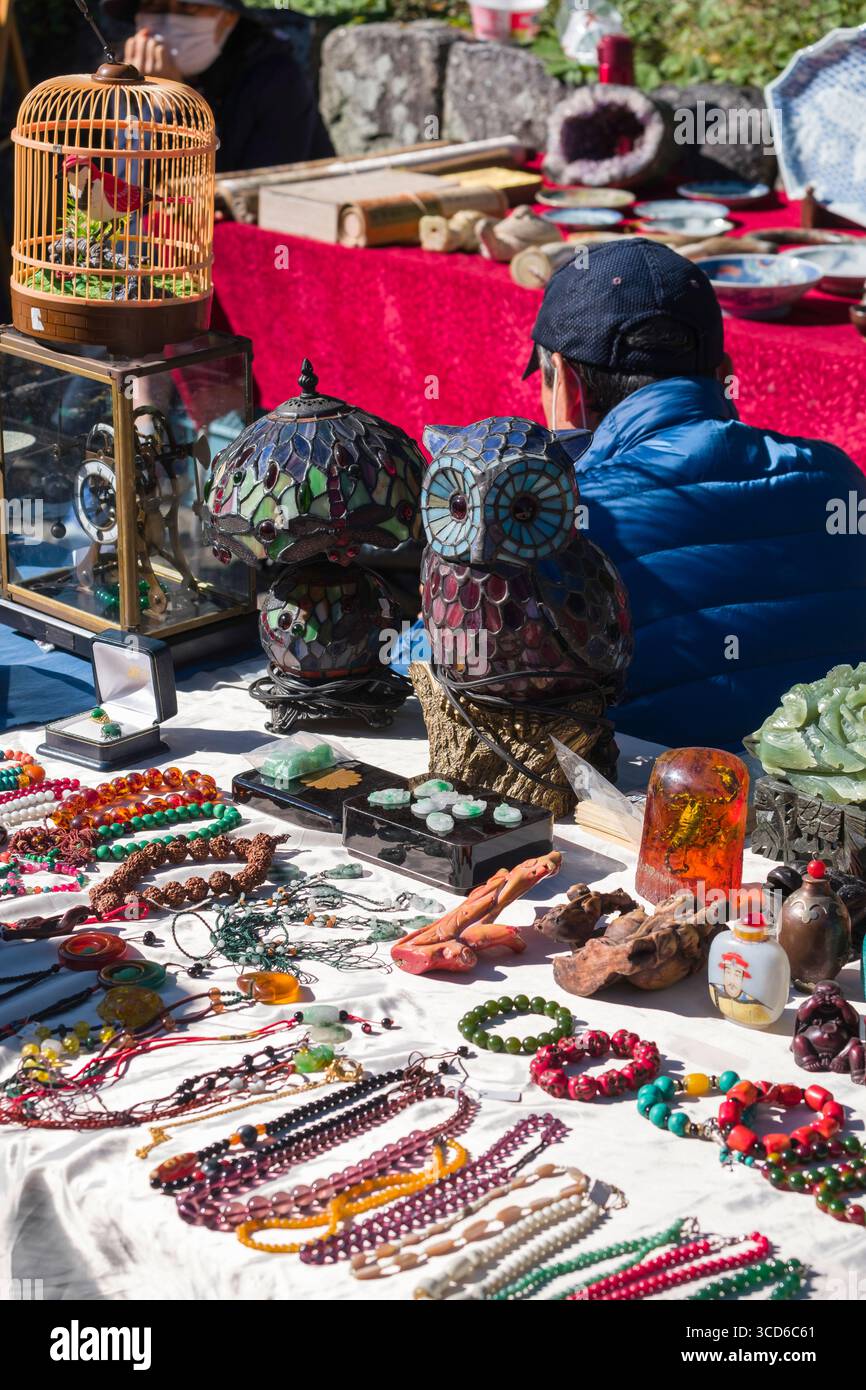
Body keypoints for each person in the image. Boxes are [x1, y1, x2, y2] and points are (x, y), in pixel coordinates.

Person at [525, 237, 866, 750]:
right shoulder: (836, 476)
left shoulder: (560, 519)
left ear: (568, 387)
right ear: (724, 375)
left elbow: (433, 672)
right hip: (827, 809)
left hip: (656, 816)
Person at [102, 0, 334, 171]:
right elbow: (123, 186)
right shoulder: (124, 76)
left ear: (228, 18)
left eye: (188, 7)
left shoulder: (276, 77)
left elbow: (254, 189)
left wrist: (179, 107)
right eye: (154, 6)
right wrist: (145, 105)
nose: (169, 20)